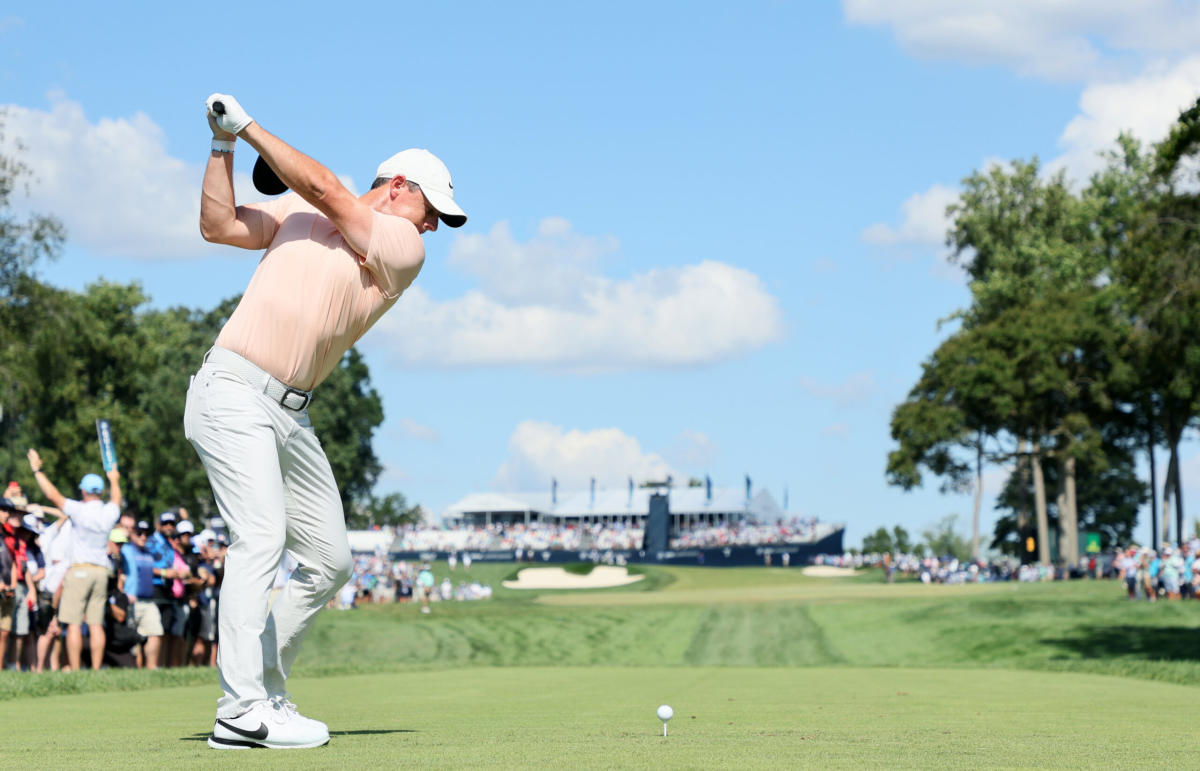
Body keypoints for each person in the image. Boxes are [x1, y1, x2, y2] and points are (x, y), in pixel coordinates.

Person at [190, 92, 466, 751]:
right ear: (400, 187)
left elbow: (325, 187)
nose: (432, 229)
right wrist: (222, 146)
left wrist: (248, 126)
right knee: (261, 535)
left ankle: (268, 689)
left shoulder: (401, 248)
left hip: (292, 414)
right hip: (232, 389)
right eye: (433, 211)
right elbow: (218, 225)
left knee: (331, 558)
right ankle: (241, 708)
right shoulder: (296, 213)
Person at [26, 450, 121, 671]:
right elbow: (116, 498)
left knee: (74, 622)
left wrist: (37, 470)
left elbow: (52, 495)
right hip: (101, 571)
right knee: (96, 623)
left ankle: (77, 670)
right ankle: (96, 671)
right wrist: (114, 479)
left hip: (80, 570)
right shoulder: (108, 512)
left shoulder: (79, 509)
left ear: (83, 490)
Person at [120, 521, 164, 669]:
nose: (143, 536)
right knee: (133, 639)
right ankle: (135, 671)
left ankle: (152, 668)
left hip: (148, 600)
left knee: (155, 631)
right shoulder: (126, 549)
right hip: (131, 601)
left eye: (146, 533)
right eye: (139, 533)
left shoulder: (148, 552)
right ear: (132, 533)